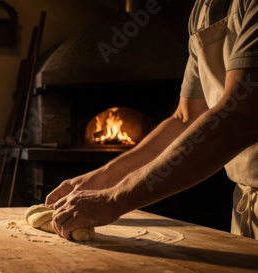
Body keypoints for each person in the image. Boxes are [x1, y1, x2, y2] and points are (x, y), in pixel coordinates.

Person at [46, 0, 258, 240]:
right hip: (246, 207)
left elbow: (239, 117)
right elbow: (185, 119)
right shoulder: (201, 10)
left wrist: (114, 199)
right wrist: (100, 180)